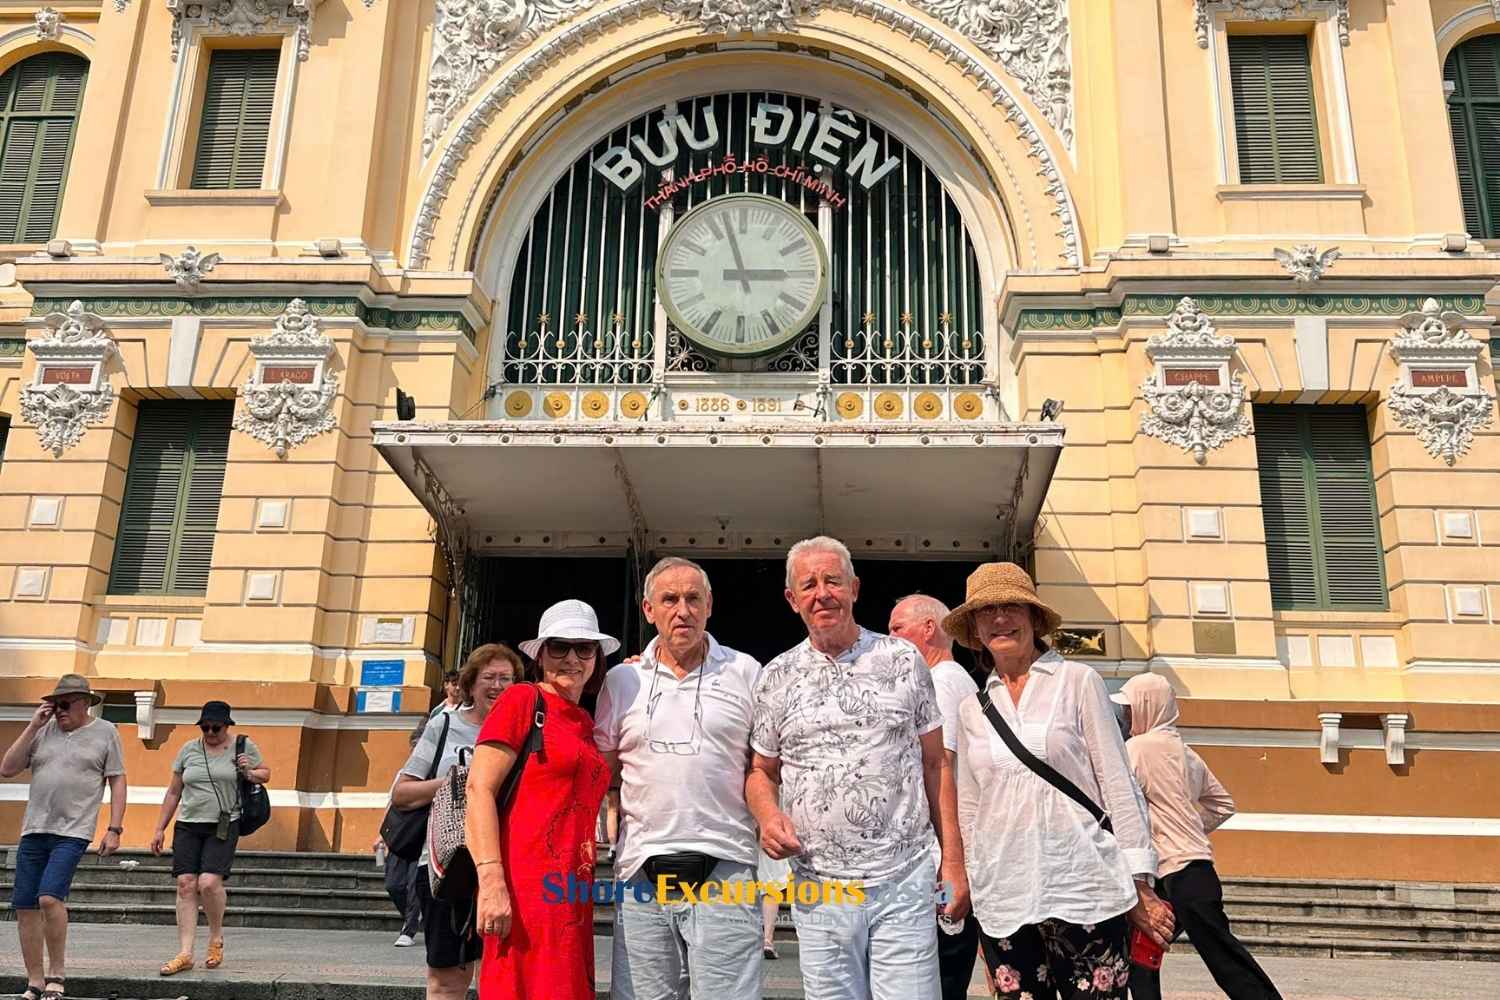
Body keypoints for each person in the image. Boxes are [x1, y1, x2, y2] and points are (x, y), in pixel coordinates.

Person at [748, 536, 967, 1000]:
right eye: (808, 585)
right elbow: (761, 771)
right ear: (792, 599)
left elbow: (936, 764)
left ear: (854, 588)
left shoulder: (903, 660)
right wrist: (768, 816)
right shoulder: (776, 676)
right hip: (819, 886)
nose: (821, 593)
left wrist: (953, 861)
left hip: (903, 879)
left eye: (833, 581)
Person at [944, 563, 1173, 1000]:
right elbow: (971, 809)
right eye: (986, 610)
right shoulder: (973, 709)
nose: (999, 618)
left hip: (1083, 886)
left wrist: (1140, 882)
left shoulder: (1078, 682)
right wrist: (973, 889)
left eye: (1011, 606)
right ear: (974, 627)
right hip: (1006, 896)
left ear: (1033, 618)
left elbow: (1116, 783)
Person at [596, 557, 765, 1000]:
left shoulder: (746, 671)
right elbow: (603, 769)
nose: (682, 610)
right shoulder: (622, 679)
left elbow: (764, 765)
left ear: (709, 605)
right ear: (649, 609)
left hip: (726, 869)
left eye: (693, 599)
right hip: (640, 876)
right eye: (669, 599)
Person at [467, 600, 614, 1000]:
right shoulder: (522, 701)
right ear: (540, 655)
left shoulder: (585, 722)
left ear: (597, 658)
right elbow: (478, 789)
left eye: (584, 648)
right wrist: (492, 882)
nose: (572, 658)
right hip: (522, 891)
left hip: (570, 897)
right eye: (559, 647)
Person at [1113, 674, 1282, 1000]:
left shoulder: (1136, 749)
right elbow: (1222, 805)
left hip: (1173, 873)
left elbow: (1119, 803)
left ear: (1148, 706)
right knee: (1142, 951)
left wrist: (1162, 833)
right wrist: (1188, 828)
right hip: (1193, 870)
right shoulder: (1185, 752)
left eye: (1131, 708)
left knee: (1221, 958)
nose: (1128, 717)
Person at [394, 643, 519, 1000]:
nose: (498, 686)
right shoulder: (444, 724)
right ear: (470, 683)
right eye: (489, 678)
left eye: (506, 679)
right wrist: (462, 779)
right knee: (448, 978)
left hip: (506, 868)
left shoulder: (525, 732)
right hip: (448, 869)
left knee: (507, 974)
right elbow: (402, 793)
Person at [0, 674, 126, 1000]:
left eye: (65, 703)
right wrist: (31, 727)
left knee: (49, 898)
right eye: (55, 703)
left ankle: (57, 974)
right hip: (34, 828)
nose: (59, 710)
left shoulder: (105, 732)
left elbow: (117, 780)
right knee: (25, 906)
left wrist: (114, 828)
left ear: (85, 702)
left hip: (72, 831)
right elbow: (8, 768)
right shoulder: (42, 731)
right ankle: (34, 981)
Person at [889, 594, 981, 1000]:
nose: (889, 640)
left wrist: (951, 862)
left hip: (938, 863)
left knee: (933, 976)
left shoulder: (939, 683)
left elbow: (941, 769)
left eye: (896, 629)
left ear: (929, 629)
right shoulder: (959, 680)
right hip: (944, 858)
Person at [150, 701, 269, 976]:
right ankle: (185, 953)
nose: (210, 732)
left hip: (224, 823)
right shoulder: (189, 750)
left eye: (215, 727)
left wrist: (248, 772)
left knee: (209, 882)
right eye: (205, 727)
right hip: (188, 824)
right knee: (185, 884)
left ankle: (215, 938)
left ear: (226, 726)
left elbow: (266, 774)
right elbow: (173, 792)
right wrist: (160, 828)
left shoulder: (242, 745)